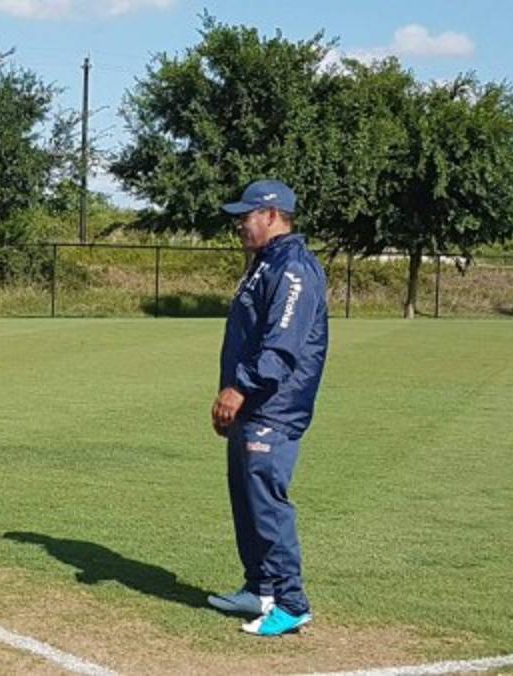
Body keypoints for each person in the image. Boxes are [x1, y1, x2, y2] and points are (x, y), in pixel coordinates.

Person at [207, 179, 329, 636]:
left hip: (273, 407)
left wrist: (239, 390)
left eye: (247, 215)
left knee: (266, 503)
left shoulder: (293, 267)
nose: (240, 223)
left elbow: (281, 346)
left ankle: (292, 601)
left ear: (274, 215)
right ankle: (259, 588)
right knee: (245, 499)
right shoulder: (264, 263)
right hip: (250, 404)